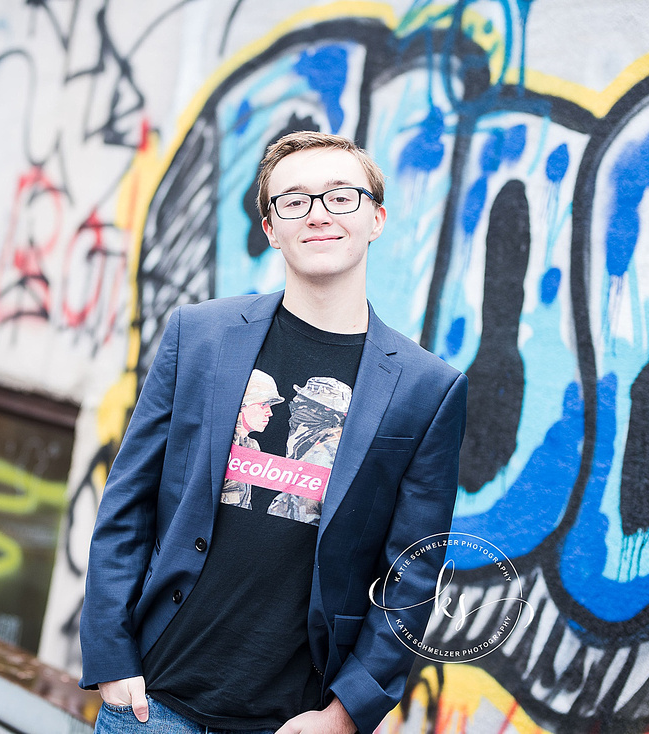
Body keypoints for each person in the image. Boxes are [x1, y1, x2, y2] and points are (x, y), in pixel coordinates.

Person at [80, 131, 468, 734]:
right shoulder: (197, 337)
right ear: (270, 227)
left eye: (341, 196)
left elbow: (413, 573)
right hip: (151, 704)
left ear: (376, 218)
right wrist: (111, 656)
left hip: (293, 724)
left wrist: (343, 715)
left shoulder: (427, 388)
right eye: (294, 200)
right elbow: (125, 504)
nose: (318, 214)